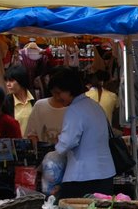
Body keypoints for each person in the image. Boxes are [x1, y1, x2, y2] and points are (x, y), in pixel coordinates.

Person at [49, 67, 115, 198]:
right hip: (105, 173)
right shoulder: (95, 106)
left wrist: (58, 141)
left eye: (58, 93)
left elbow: (67, 143)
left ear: (70, 90)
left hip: (82, 176)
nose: (56, 98)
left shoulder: (74, 110)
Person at [25, 82, 69, 147]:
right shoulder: (40, 105)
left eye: (61, 93)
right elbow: (31, 135)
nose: (58, 97)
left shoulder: (76, 108)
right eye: (56, 93)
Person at [4, 66, 35, 133]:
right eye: (6, 81)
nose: (8, 84)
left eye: (11, 81)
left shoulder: (36, 97)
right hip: (17, 142)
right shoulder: (6, 102)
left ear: (21, 81)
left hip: (37, 142)